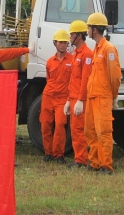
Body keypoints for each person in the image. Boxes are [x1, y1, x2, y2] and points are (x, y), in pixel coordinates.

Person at [85, 12, 121, 175]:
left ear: (94, 29)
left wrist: (113, 96)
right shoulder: (96, 49)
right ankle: (95, 162)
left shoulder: (108, 49)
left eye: (88, 27)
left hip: (103, 97)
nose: (87, 30)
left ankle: (106, 165)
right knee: (90, 131)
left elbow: (115, 76)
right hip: (92, 96)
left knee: (103, 131)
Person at [41, 29, 73, 164]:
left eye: (65, 42)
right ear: (55, 43)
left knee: (60, 125)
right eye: (60, 42)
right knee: (45, 124)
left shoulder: (72, 61)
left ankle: (59, 154)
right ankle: (48, 153)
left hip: (63, 98)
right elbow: (48, 79)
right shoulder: (49, 62)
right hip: (48, 96)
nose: (63, 45)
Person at [63, 20, 92, 168]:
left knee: (79, 130)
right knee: (75, 130)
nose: (70, 37)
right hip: (74, 97)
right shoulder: (76, 54)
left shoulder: (87, 54)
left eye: (72, 34)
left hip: (81, 99)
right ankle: (79, 158)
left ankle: (81, 160)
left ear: (79, 36)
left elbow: (85, 80)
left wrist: (80, 99)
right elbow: (73, 79)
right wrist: (69, 100)